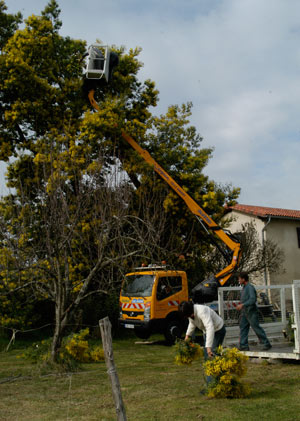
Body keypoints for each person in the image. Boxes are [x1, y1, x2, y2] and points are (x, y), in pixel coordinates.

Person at [236, 272, 272, 351]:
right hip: (245, 312)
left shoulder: (249, 287)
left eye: (239, 278)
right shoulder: (244, 287)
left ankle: (266, 343)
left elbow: (252, 299)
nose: (238, 280)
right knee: (243, 327)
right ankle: (243, 345)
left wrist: (242, 305)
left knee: (256, 327)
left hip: (251, 311)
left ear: (243, 279)